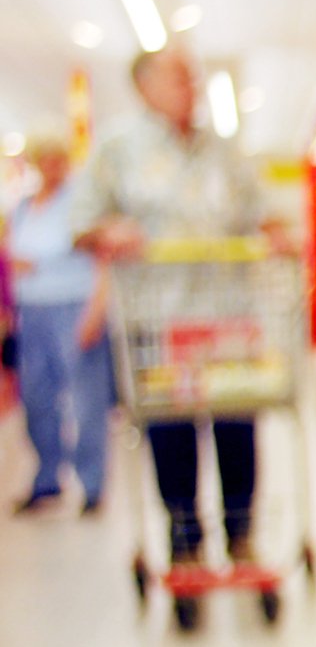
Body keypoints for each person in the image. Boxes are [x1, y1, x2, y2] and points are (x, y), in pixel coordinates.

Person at [77, 47, 278, 562]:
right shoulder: (117, 149)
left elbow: (263, 212)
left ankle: (241, 535)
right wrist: (108, 231)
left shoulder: (225, 151)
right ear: (144, 88)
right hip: (158, 318)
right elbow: (82, 224)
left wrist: (280, 235)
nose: (192, 88)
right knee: (171, 430)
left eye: (193, 78)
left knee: (236, 424)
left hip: (226, 315)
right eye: (178, 79)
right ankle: (185, 539)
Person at [6, 137, 113, 514]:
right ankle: (47, 477)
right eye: (45, 159)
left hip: (74, 305)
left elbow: (101, 260)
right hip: (31, 309)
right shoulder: (23, 207)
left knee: (85, 399)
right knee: (36, 397)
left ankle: (91, 484)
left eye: (58, 158)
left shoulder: (80, 204)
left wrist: (96, 310)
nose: (52, 166)